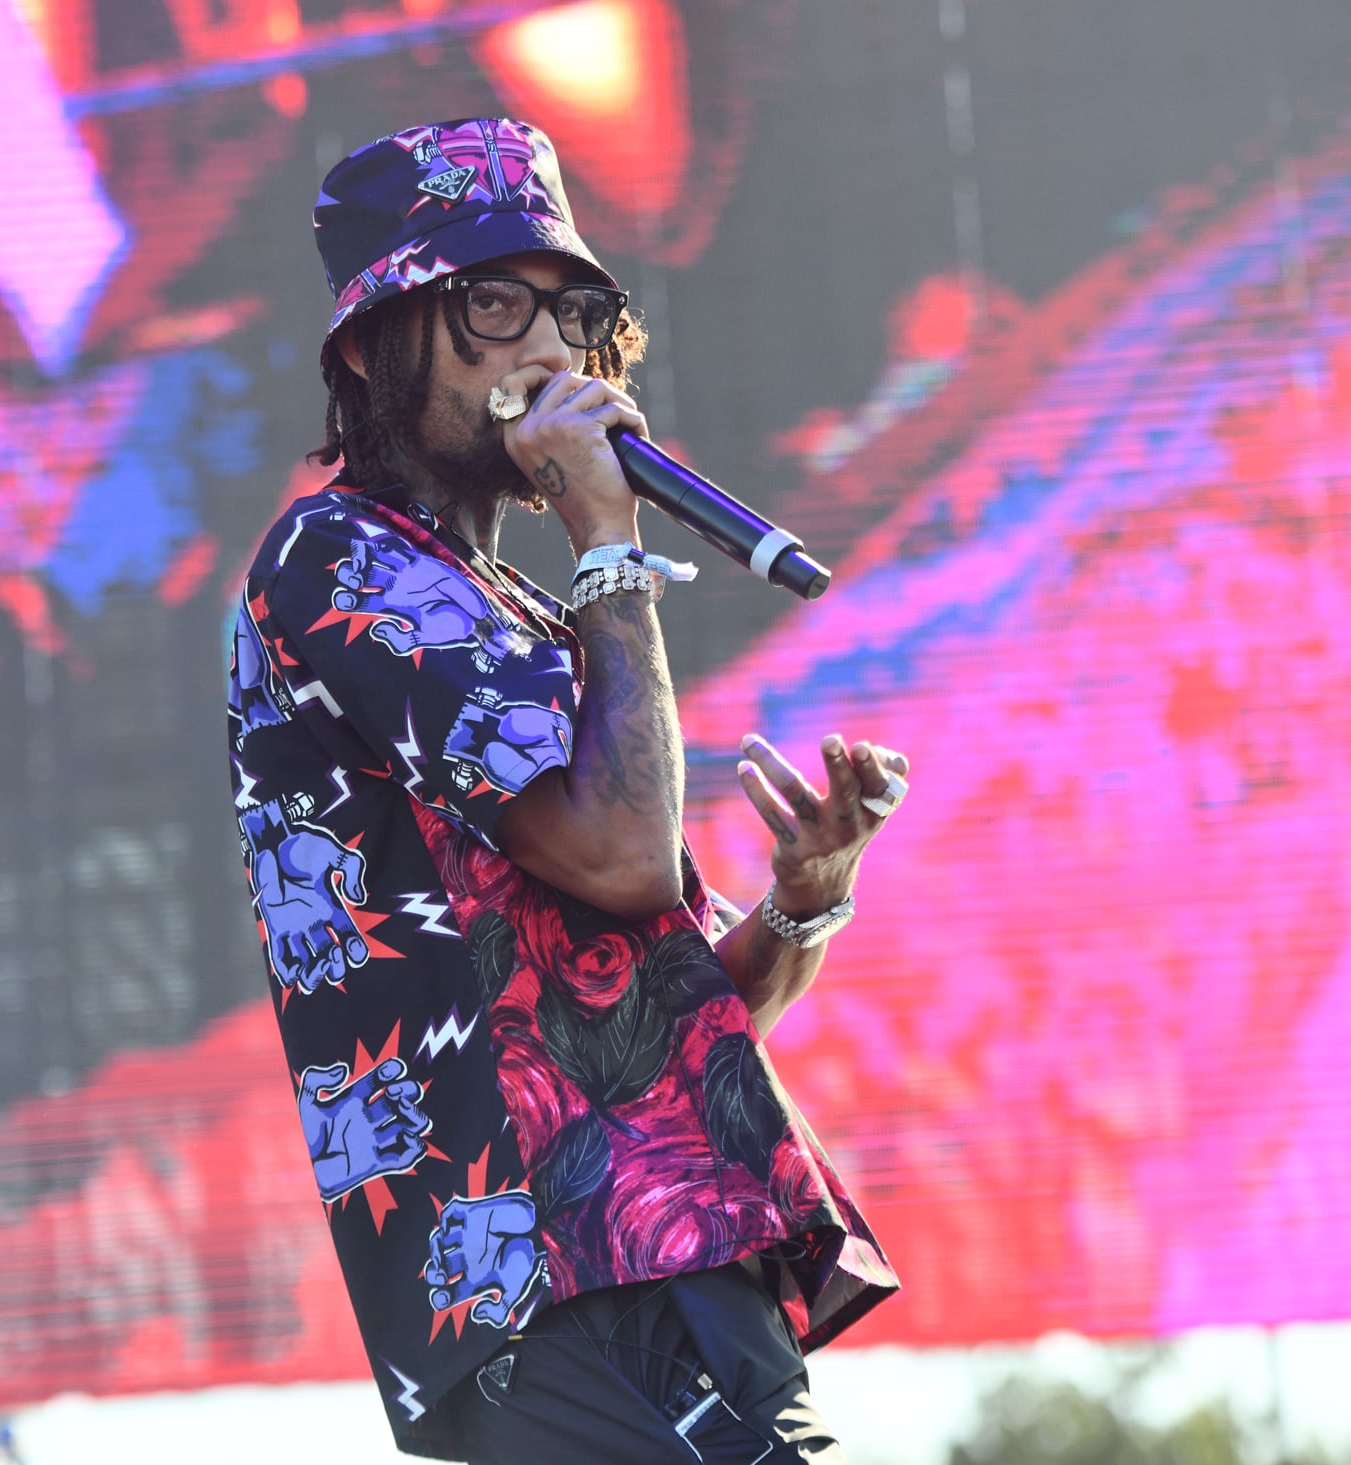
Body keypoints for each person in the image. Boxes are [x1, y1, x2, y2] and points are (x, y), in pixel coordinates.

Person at [227, 117, 909, 1462]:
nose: (547, 347)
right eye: (493, 303)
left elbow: (671, 1017)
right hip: (559, 1261)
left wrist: (806, 901)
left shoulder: (511, 604)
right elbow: (620, 859)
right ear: (373, 341)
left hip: (648, 1262)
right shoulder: (336, 561)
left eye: (574, 309)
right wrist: (608, 537)